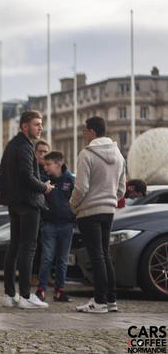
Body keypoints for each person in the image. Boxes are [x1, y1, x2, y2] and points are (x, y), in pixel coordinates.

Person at [70, 116, 125, 313]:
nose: (83, 133)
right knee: (104, 254)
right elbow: (121, 189)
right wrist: (110, 199)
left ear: (92, 131)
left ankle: (99, 301)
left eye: (85, 130)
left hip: (89, 211)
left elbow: (81, 187)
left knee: (96, 256)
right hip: (108, 211)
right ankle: (111, 300)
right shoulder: (118, 155)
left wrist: (73, 205)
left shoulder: (87, 154)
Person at [0, 110, 53, 309]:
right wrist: (44, 187)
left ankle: (9, 294)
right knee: (27, 249)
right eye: (37, 124)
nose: (40, 128)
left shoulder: (12, 145)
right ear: (24, 126)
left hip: (15, 203)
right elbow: (26, 176)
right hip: (28, 203)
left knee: (14, 247)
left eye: (41, 124)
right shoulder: (24, 146)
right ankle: (26, 296)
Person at [35, 151, 75, 303]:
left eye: (48, 164)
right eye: (44, 165)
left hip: (67, 225)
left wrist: (73, 217)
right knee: (47, 258)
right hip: (49, 224)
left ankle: (60, 291)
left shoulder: (70, 180)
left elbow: (77, 199)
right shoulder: (44, 180)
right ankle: (41, 290)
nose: (45, 168)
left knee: (63, 260)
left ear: (58, 164)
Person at [31, 139, 51, 286]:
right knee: (35, 246)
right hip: (36, 212)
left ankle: (46, 275)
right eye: (40, 152)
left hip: (50, 214)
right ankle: (33, 274)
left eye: (45, 152)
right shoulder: (32, 168)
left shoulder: (51, 170)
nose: (43, 155)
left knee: (48, 247)